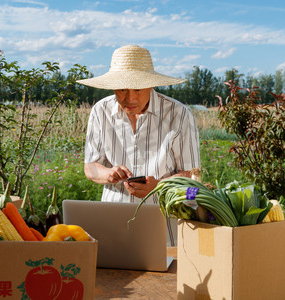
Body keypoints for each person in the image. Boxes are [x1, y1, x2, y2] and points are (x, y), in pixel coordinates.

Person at [77, 45, 201, 205]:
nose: (130, 99)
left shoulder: (179, 114)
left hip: (164, 216)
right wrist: (109, 173)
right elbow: (90, 168)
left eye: (137, 89)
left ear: (151, 84)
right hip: (113, 215)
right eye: (122, 89)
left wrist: (159, 186)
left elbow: (193, 175)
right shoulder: (100, 111)